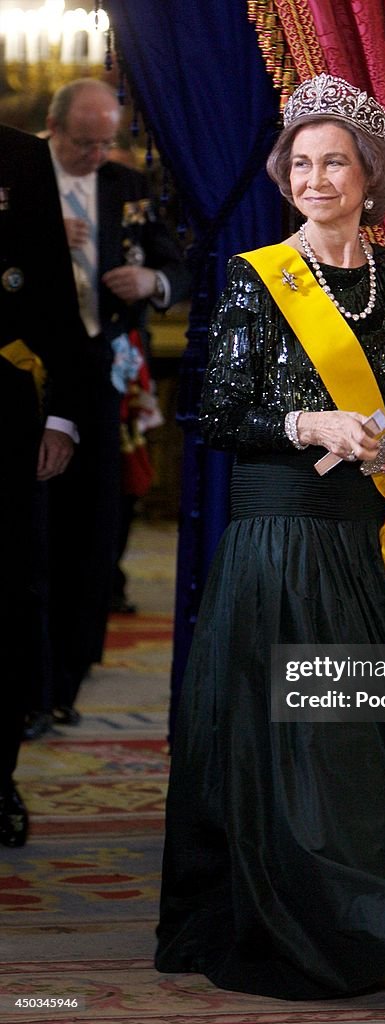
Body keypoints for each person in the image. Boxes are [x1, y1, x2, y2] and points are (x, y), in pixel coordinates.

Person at [155, 74, 385, 1000]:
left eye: (336, 163)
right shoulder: (255, 277)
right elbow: (217, 412)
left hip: (367, 538)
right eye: (302, 164)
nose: (317, 179)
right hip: (279, 536)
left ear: (370, 176)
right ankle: (380, 931)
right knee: (307, 739)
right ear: (286, 177)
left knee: (368, 731)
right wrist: (311, 423)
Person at [41, 78, 190, 725]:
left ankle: (67, 681)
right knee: (33, 535)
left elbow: (178, 265)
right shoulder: (19, 177)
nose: (96, 154)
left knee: (94, 531)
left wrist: (151, 280)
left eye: (106, 142)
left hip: (102, 378)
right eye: (83, 143)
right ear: (53, 129)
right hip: (28, 372)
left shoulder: (126, 188)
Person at [0, 123, 86, 846]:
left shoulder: (19, 155)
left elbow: (53, 292)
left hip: (1, 406)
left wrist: (62, 413)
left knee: (7, 598)